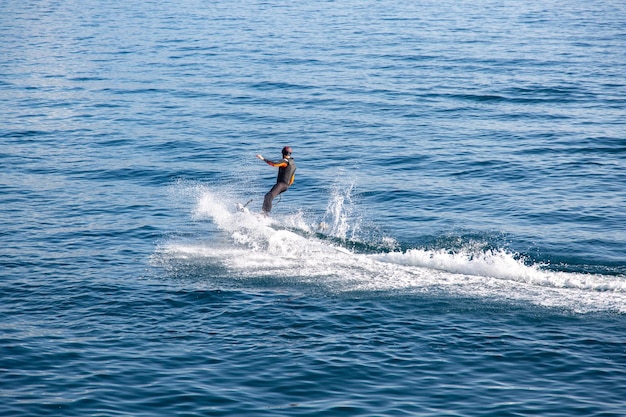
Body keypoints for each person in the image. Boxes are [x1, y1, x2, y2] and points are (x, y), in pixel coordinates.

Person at [256, 146, 296, 215]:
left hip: (281, 184)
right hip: (285, 186)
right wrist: (285, 186)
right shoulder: (293, 164)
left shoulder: (285, 162)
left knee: (268, 197)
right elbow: (292, 179)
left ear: (283, 153)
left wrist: (263, 159)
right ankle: (263, 214)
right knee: (268, 197)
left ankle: (264, 216)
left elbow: (274, 164)